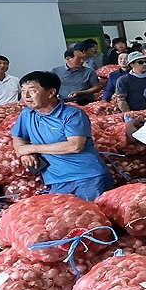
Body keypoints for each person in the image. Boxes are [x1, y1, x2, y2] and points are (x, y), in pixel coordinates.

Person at [10, 71, 112, 201]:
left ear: (51, 93)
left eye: (32, 91)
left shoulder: (72, 114)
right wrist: (24, 153)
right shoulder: (27, 114)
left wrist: (32, 148)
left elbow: (75, 145)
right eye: (23, 91)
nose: (26, 96)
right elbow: (18, 137)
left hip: (87, 178)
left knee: (92, 217)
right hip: (56, 181)